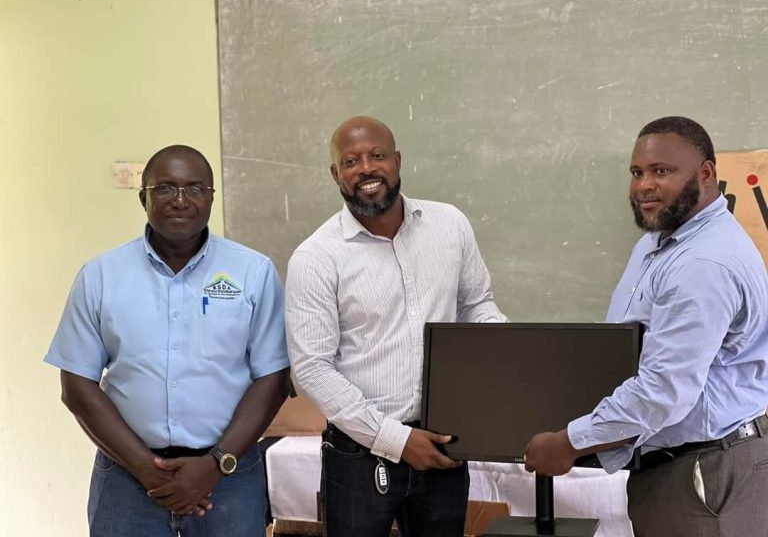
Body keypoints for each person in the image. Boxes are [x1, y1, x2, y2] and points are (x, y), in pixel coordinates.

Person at [523, 116, 768, 536]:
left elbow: (662, 391)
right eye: (637, 173)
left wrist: (568, 442)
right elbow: (628, 349)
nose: (644, 186)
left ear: (706, 173)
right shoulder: (656, 244)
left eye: (661, 171)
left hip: (705, 475)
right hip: (673, 468)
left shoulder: (702, 264)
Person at [45, 144, 290, 537]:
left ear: (211, 197)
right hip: (126, 479)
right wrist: (147, 470)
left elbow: (274, 378)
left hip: (229, 479)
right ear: (143, 198)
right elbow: (76, 386)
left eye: (195, 188)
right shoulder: (100, 276)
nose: (180, 200)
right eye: (165, 188)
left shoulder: (253, 272)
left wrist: (216, 463)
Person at [285, 116, 507, 537]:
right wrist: (397, 440)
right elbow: (312, 368)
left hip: (444, 442)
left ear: (398, 160)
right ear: (336, 173)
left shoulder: (449, 225)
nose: (366, 168)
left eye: (377, 155)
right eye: (351, 161)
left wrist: (511, 352)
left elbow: (476, 306)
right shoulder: (316, 258)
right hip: (358, 452)